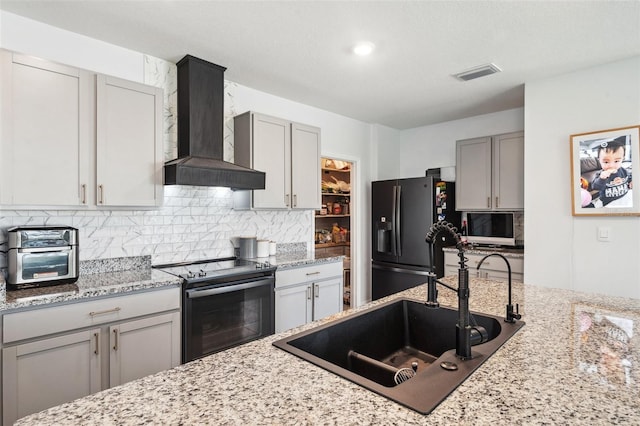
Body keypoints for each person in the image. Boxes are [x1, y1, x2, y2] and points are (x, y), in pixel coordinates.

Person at [591, 136, 633, 207]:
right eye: (606, 162)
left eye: (616, 161)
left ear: (622, 159)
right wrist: (602, 178)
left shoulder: (623, 170)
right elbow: (595, 187)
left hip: (624, 197)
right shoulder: (600, 174)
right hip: (608, 202)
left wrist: (631, 181)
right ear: (599, 161)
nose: (611, 165)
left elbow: (629, 178)